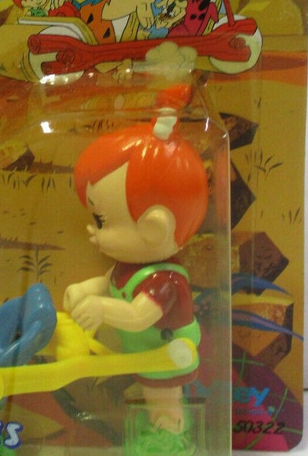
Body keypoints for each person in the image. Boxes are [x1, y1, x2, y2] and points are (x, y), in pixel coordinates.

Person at [64, 85, 208, 434]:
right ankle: (159, 431)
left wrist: (100, 309)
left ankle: (171, 438)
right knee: (149, 399)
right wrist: (85, 290)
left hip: (165, 357)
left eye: (103, 221)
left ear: (154, 228)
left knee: (163, 402)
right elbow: (108, 284)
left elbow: (137, 316)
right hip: (146, 357)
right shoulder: (130, 267)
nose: (93, 231)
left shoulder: (165, 282)